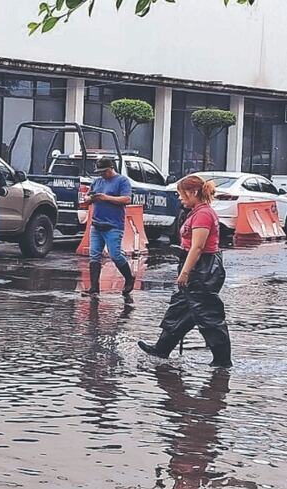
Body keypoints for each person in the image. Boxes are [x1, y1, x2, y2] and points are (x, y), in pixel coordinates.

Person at [138, 175, 232, 367]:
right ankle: (162, 349)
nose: (180, 198)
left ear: (193, 193)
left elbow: (198, 247)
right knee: (180, 309)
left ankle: (222, 361)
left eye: (181, 194)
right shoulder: (195, 212)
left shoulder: (203, 214)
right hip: (196, 265)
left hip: (203, 269)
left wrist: (185, 272)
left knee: (208, 314)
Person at [85, 157, 136, 295]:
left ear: (111, 168)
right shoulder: (97, 182)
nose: (102, 174)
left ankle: (129, 278)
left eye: (104, 171)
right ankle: (94, 288)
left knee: (115, 254)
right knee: (94, 255)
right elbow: (86, 197)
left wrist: (106, 197)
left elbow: (126, 199)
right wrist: (90, 198)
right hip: (97, 224)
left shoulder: (122, 181)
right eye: (100, 172)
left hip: (113, 225)